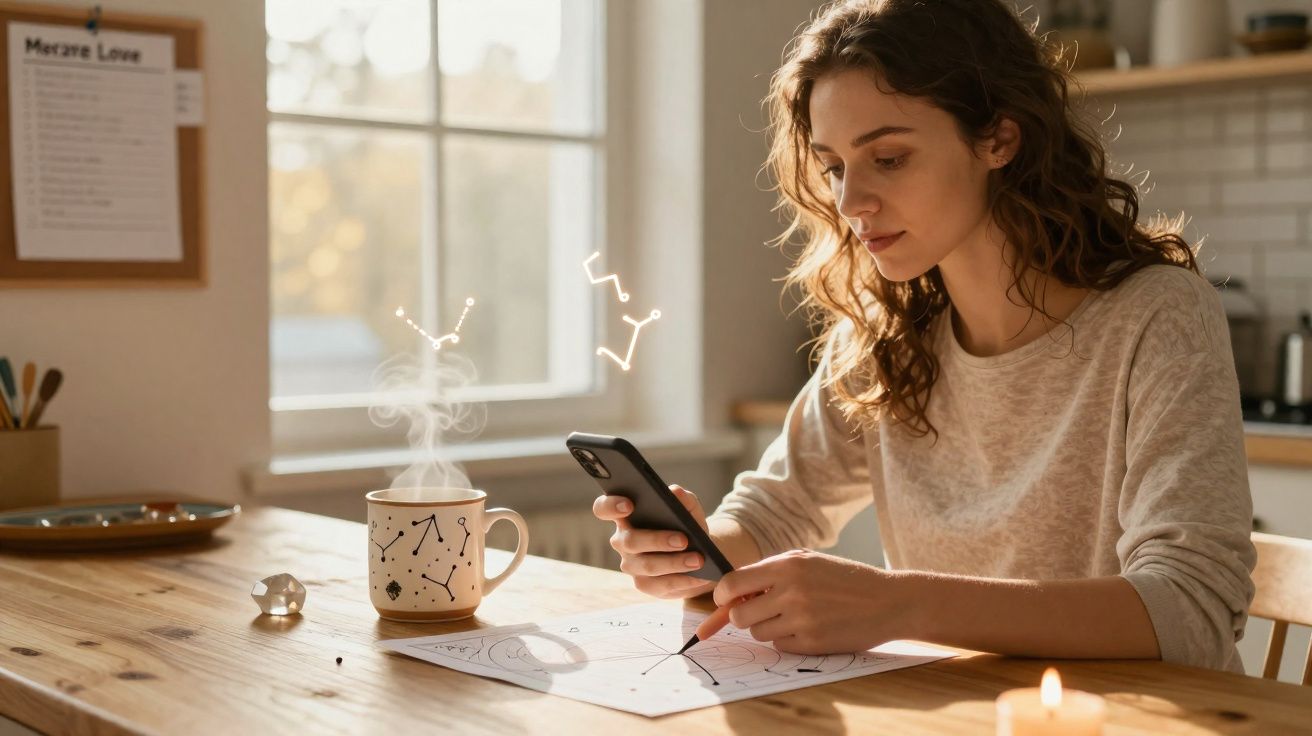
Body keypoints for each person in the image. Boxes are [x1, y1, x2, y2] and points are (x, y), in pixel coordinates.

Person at [593, 0, 1255, 673]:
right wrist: (693, 552)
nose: (850, 202)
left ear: (999, 139)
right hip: (954, 710)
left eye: (888, 157)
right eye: (834, 167)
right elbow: (771, 515)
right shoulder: (885, 335)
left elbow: (1191, 607)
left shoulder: (1159, 315)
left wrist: (899, 603)